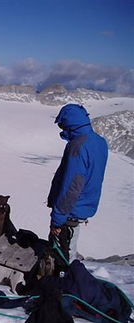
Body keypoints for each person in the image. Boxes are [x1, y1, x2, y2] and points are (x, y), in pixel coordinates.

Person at [47, 104, 108, 263]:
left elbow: (71, 187)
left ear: (69, 123)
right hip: (82, 208)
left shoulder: (77, 147)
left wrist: (58, 219)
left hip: (69, 215)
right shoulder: (99, 142)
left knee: (60, 259)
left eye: (62, 124)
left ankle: (64, 284)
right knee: (69, 252)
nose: (61, 128)